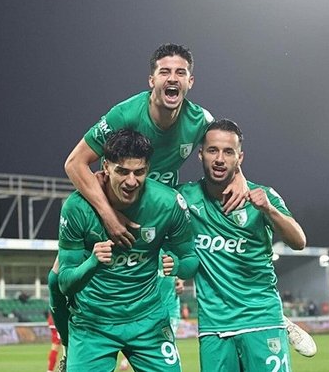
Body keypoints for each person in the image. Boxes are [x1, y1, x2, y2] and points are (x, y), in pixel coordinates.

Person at [49, 42, 247, 369]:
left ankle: (263, 312)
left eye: (180, 72)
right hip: (114, 205)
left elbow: (224, 149)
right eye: (165, 71)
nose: (173, 78)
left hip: (162, 210)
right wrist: (109, 215)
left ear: (190, 81)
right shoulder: (125, 115)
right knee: (57, 278)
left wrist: (240, 177)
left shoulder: (200, 120)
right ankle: (72, 348)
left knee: (218, 243)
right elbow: (74, 163)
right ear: (151, 80)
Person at [57, 129, 198, 371]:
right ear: (106, 166)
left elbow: (191, 260)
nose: (131, 181)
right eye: (122, 171)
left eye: (139, 172)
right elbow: (64, 283)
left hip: (148, 321)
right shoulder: (77, 207)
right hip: (93, 323)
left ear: (148, 168)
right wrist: (92, 263)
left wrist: (177, 266)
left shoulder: (168, 203)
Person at [177, 119, 312, 371]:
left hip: (261, 318)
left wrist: (269, 210)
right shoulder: (185, 198)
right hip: (214, 327)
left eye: (228, 152)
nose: (220, 159)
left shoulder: (262, 196)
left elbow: (298, 241)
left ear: (240, 158)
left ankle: (281, 322)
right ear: (200, 154)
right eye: (213, 150)